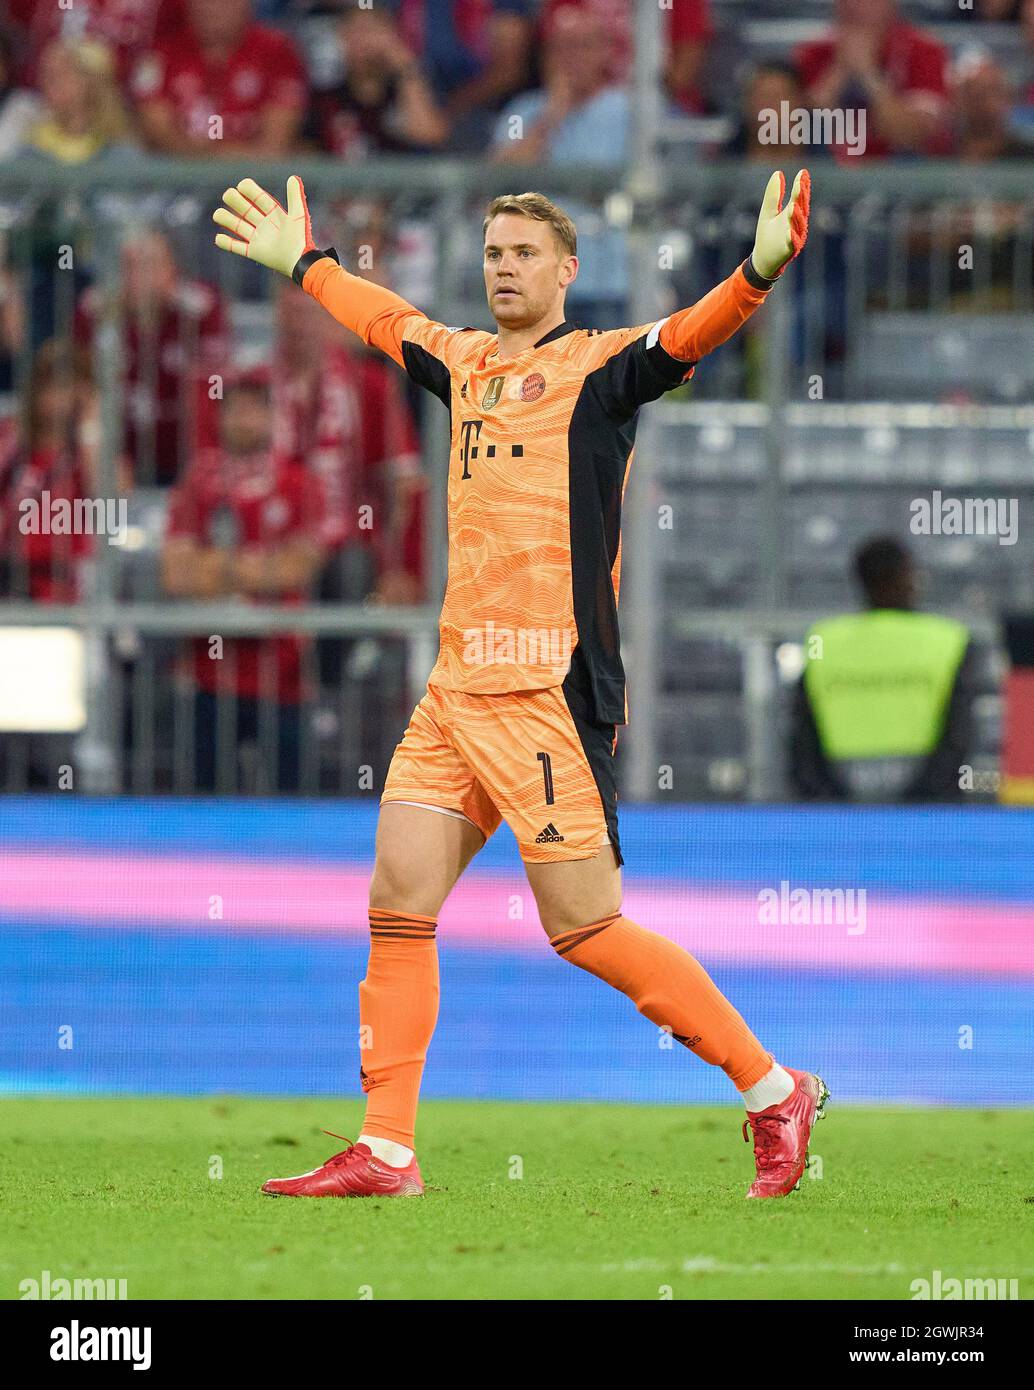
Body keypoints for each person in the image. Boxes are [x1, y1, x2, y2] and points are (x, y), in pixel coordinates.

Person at [212, 164, 824, 1201]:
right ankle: (388, 1150)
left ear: (566, 271)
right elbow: (384, 318)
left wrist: (756, 271)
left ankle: (771, 1089)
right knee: (397, 904)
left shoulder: (596, 370)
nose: (503, 268)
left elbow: (686, 335)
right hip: (455, 689)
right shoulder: (459, 363)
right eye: (493, 252)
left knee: (583, 927)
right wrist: (307, 265)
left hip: (548, 690)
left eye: (524, 253)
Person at [161, 371, 325, 793]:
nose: (245, 418)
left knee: (293, 807)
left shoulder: (299, 482)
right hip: (208, 675)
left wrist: (215, 566)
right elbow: (175, 575)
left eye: (257, 407)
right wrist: (260, 566)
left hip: (284, 674)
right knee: (203, 807)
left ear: (275, 415)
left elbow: (299, 568)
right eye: (235, 407)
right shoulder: (197, 481)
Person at [789, 537, 973, 804]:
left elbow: (803, 738)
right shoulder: (948, 640)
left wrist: (826, 800)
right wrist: (926, 798)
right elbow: (958, 735)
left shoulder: (823, 641)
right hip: (927, 809)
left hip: (838, 806)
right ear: (908, 576)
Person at [74, 230, 228, 488]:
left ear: (173, 268)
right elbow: (83, 392)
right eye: (130, 265)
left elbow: (215, 385)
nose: (140, 276)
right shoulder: (95, 312)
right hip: (116, 460)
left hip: (186, 457)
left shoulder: (200, 309)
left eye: (151, 264)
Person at [131, 0, 306, 158]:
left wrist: (217, 157)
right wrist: (213, 159)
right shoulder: (158, 56)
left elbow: (275, 142)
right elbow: (158, 132)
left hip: (257, 182)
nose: (212, 9)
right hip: (178, 179)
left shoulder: (278, 52)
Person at [796, 0, 951, 161]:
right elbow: (799, 132)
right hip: (825, 172)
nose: (853, 6)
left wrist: (869, 73)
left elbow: (911, 136)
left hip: (903, 175)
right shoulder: (812, 52)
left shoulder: (924, 51)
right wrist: (838, 72)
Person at [306, 3, 449, 158]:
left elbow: (429, 135)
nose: (361, 40)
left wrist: (403, 64)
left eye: (369, 30)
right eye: (352, 31)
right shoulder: (325, 98)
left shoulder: (406, 90)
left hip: (399, 179)